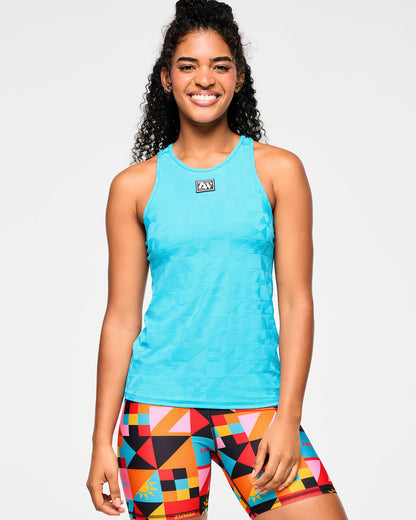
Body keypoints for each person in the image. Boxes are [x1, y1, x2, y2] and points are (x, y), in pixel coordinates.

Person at [86, 1, 349, 519]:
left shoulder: (278, 171)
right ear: (166, 78)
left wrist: (288, 415)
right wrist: (100, 440)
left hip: (257, 403)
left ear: (239, 77)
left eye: (220, 65)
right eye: (188, 66)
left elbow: (297, 303)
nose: (204, 79)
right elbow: (120, 319)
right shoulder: (134, 186)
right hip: (157, 411)